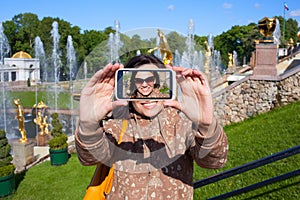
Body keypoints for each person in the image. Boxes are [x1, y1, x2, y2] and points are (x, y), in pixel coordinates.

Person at [75, 54, 228, 199]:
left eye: (153, 82)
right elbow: (89, 158)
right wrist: (88, 125)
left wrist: (206, 126)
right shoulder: (116, 126)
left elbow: (215, 161)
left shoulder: (182, 126)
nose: (147, 92)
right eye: (138, 82)